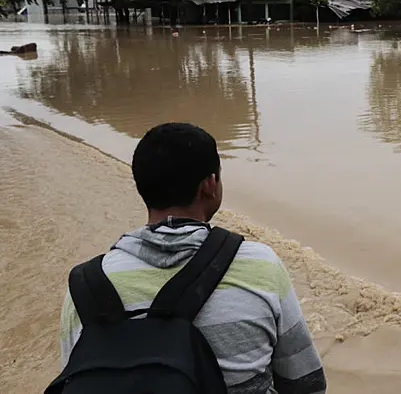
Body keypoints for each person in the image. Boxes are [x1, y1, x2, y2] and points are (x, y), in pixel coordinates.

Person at [58, 123, 326, 394]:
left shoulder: (85, 287)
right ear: (210, 185)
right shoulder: (260, 265)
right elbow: (305, 383)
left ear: (142, 186)